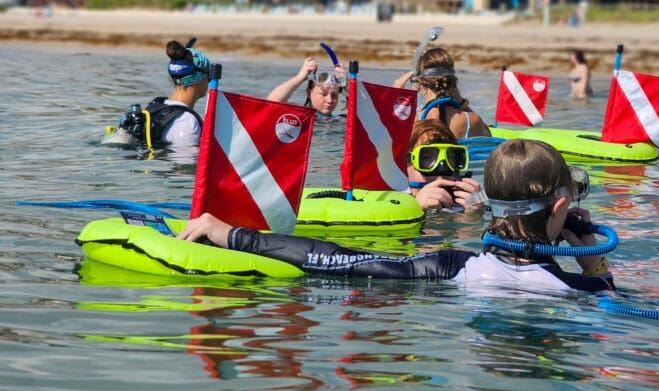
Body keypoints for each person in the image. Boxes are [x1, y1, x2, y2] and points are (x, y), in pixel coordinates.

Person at [180, 138, 613, 293]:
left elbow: (334, 258)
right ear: (560, 207)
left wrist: (233, 234)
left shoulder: (451, 266)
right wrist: (594, 262)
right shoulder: (583, 287)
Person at [393, 47, 491, 138]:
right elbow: (488, 137)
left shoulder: (413, 121)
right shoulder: (472, 120)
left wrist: (395, 97)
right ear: (452, 82)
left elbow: (387, 138)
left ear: (420, 81)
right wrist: (462, 103)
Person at [406, 120, 482, 213]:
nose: (441, 171)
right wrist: (416, 209)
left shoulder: (462, 203)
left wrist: (474, 215)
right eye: (426, 159)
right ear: (403, 167)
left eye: (450, 158)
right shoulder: (391, 204)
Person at [267, 56, 344, 116]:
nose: (329, 100)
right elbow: (270, 105)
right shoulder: (297, 114)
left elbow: (356, 110)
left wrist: (347, 84)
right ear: (308, 92)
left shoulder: (339, 121)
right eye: (323, 94)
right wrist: (300, 77)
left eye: (334, 95)